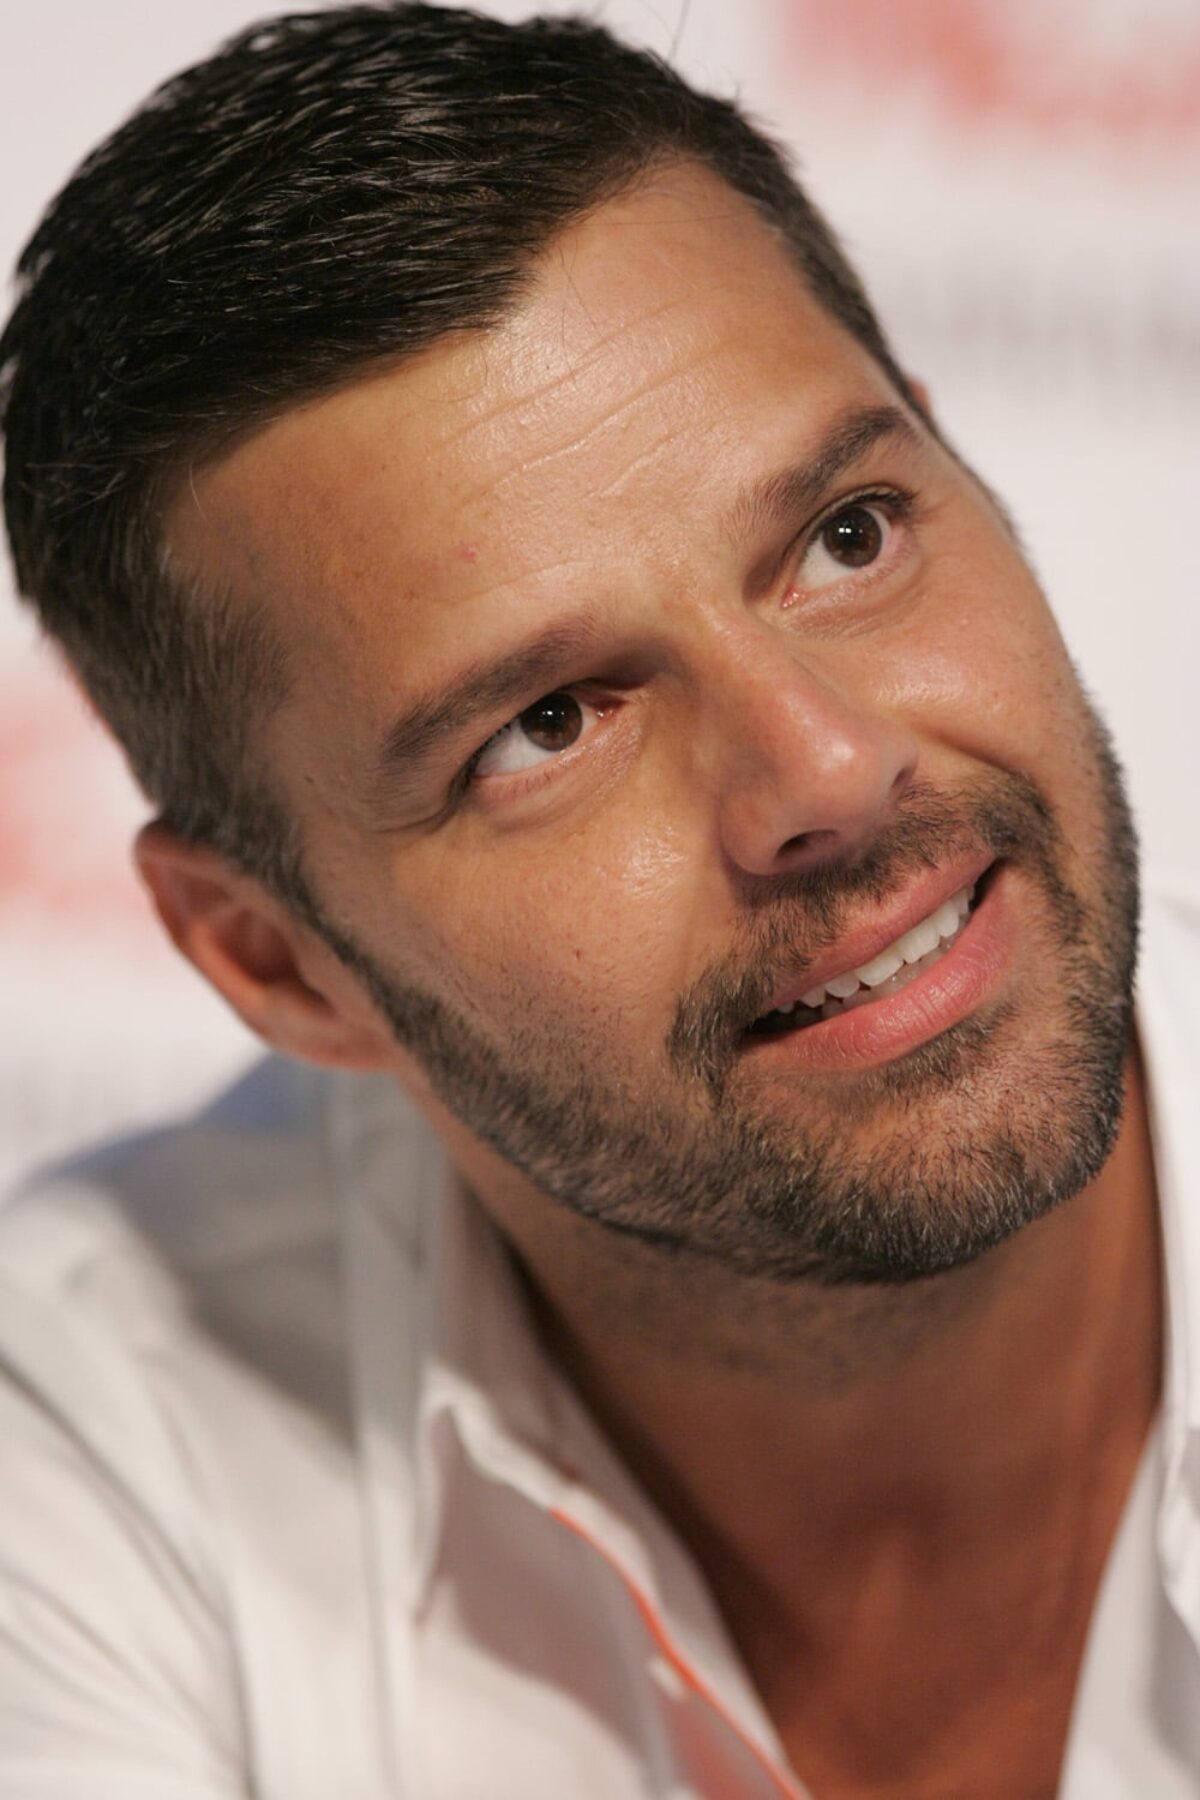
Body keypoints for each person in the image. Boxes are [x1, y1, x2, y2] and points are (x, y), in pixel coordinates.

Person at [0, 4, 1196, 1795]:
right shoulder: (95, 1456)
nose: (828, 769)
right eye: (545, 726)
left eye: (849, 535)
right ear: (281, 962)